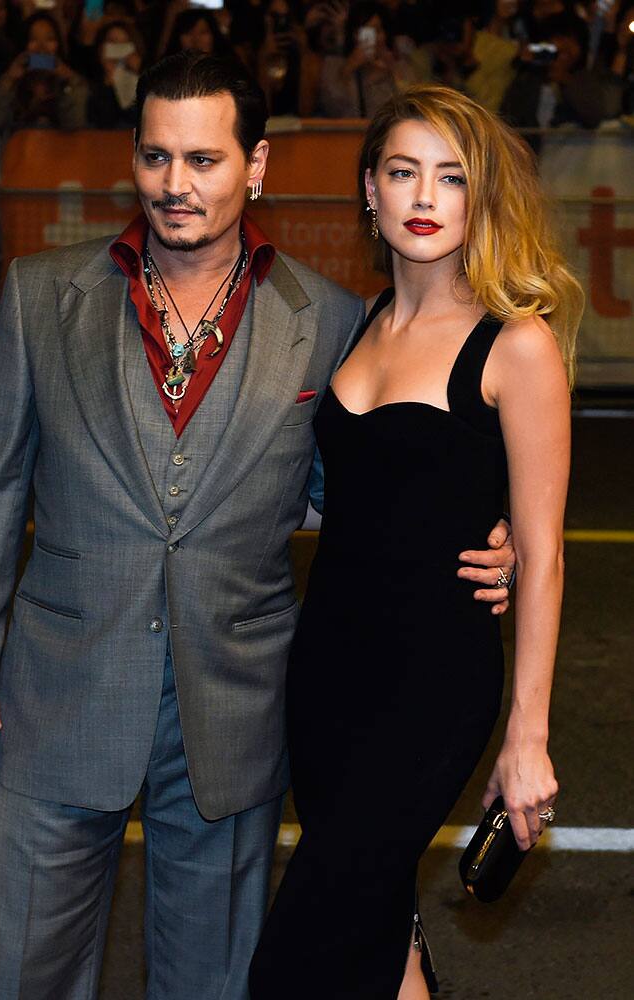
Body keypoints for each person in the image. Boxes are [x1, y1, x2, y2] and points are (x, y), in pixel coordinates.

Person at [0, 54, 514, 999]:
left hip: (236, 704)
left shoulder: (327, 320)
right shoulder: (43, 295)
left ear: (256, 166)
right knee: (28, 971)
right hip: (60, 691)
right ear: (133, 159)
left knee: (210, 981)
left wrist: (493, 533)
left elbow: (365, 485)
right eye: (156, 157)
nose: (175, 184)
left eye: (203, 159)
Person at [249, 84, 582, 999]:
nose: (425, 197)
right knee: (373, 936)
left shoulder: (515, 346)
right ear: (370, 190)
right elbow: (346, 500)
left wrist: (526, 735)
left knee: (297, 958)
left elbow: (544, 551)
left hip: (430, 688)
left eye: (450, 177)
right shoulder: (353, 325)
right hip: (324, 680)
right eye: (403, 173)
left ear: (480, 200)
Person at [0, 10, 87, 129]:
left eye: (49, 40)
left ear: (58, 45)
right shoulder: (13, 84)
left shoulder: (67, 84)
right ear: (25, 44)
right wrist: (9, 80)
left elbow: (76, 125)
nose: (41, 47)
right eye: (33, 39)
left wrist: (71, 80)